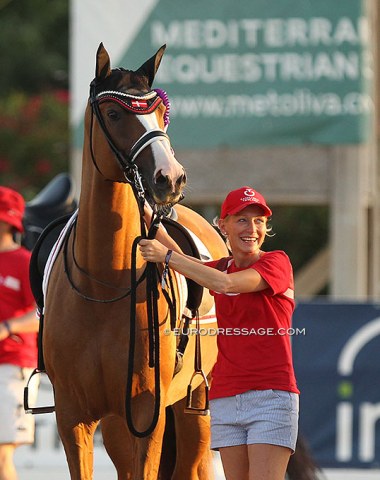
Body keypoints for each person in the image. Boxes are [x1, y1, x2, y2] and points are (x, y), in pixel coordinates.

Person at [139, 186, 299, 480]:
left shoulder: (276, 261)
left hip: (270, 395)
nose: (252, 228)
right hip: (225, 396)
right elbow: (196, 268)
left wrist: (166, 256)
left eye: (258, 221)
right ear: (222, 225)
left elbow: (225, 284)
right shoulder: (222, 266)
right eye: (241, 220)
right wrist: (148, 214)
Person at [0, 186, 39, 480]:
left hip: (13, 365)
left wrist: (7, 327)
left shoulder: (25, 261)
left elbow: (41, 314)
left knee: (2, 454)